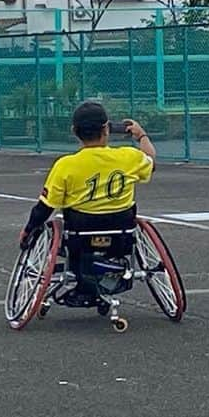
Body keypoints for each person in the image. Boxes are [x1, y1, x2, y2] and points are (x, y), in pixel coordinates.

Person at [18, 103, 155, 297]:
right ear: (106, 129)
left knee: (62, 223)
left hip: (79, 238)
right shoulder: (129, 156)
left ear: (74, 131)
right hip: (121, 234)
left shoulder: (66, 165)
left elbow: (45, 207)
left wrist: (28, 230)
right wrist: (141, 135)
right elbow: (150, 159)